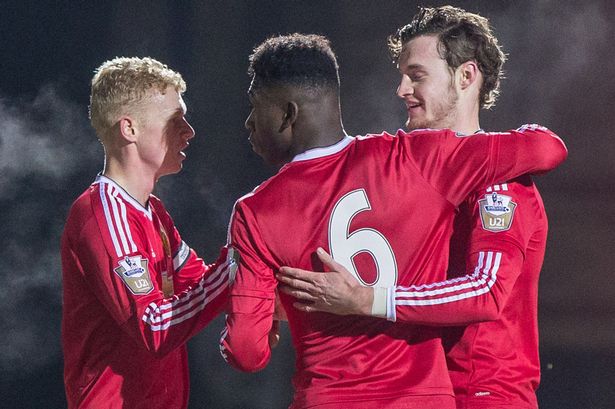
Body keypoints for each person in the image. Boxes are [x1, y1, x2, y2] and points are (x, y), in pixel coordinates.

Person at [219, 33, 566, 409]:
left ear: (466, 77)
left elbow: (486, 292)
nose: (402, 89)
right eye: (401, 75)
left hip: (482, 394)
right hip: (433, 390)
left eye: (417, 75)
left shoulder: (495, 182)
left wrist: (366, 299)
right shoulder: (411, 164)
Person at [61, 57, 233, 409]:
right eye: (174, 119)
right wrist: (236, 266)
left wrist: (265, 288)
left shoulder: (153, 212)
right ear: (130, 129)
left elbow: (199, 282)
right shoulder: (104, 214)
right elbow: (155, 327)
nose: (189, 131)